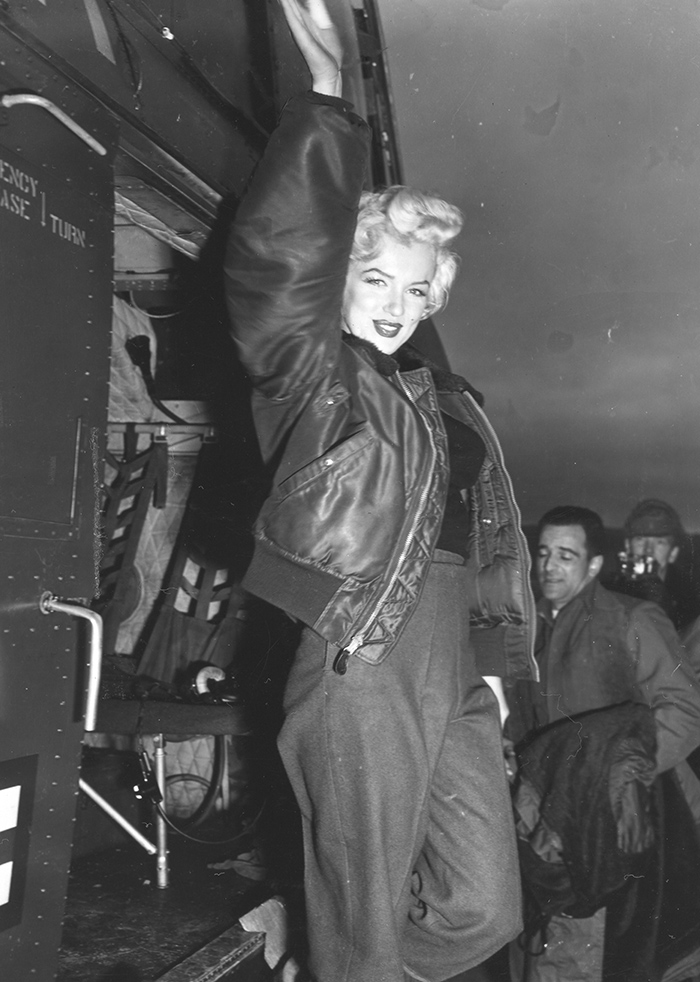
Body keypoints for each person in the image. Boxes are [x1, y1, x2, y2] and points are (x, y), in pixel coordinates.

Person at [223, 2, 537, 980]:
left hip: (451, 661)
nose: (398, 305)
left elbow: (482, 538)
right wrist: (326, 104)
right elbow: (278, 261)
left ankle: (325, 948)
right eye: (375, 280)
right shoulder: (314, 373)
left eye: (416, 288)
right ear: (338, 281)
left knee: (483, 904)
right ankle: (335, 950)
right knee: (359, 919)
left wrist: (489, 665)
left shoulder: (443, 396)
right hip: (365, 647)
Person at [506, 505, 700, 982]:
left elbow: (685, 711)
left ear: (593, 565)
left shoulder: (632, 618)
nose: (550, 566)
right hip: (548, 825)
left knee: (608, 952)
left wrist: (615, 779)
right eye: (544, 553)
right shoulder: (528, 632)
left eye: (566, 556)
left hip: (627, 822)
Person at [606, 498, 700, 632]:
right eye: (640, 540)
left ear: (673, 553)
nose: (648, 550)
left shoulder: (690, 596)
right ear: (627, 547)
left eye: (660, 542)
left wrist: (665, 606)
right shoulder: (609, 591)